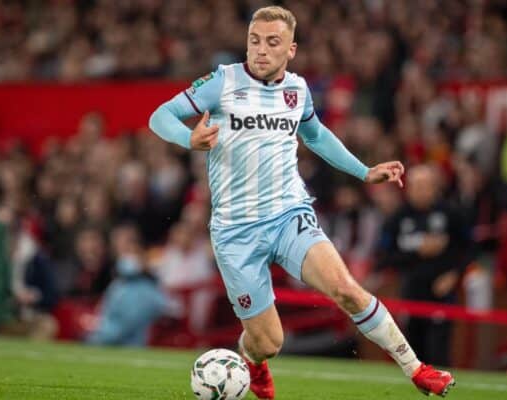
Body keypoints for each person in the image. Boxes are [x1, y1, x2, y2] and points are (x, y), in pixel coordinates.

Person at [149, 6, 454, 399]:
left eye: (272, 42)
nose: (260, 50)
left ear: (290, 49)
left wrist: (363, 172)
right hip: (235, 232)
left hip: (288, 214)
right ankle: (252, 360)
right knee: (268, 343)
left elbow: (316, 135)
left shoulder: (298, 90)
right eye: (254, 41)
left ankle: (417, 369)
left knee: (346, 289)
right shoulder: (223, 82)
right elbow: (161, 115)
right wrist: (187, 138)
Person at [377, 164, 472, 366]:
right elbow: (384, 257)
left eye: (425, 186)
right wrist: (416, 251)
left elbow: (469, 249)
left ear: (435, 187)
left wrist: (454, 275)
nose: (420, 191)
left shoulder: (451, 214)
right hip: (410, 292)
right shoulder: (398, 218)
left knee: (438, 351)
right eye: (415, 186)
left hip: (441, 292)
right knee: (413, 352)